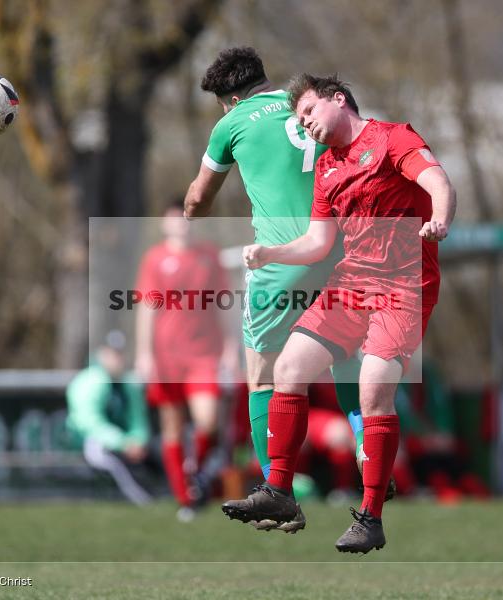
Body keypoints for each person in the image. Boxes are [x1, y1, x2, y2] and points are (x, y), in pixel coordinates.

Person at [222, 73, 456, 554]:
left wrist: (441, 218)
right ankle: (280, 493)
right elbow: (318, 243)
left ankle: (370, 516)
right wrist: (271, 253)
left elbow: (437, 180)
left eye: (309, 112)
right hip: (352, 285)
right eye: (300, 120)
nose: (306, 124)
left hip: (404, 287)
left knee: (372, 390)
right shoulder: (328, 168)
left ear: (338, 99)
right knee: (288, 367)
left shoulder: (394, 138)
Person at [184, 47, 376, 533]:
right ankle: (366, 446)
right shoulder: (302, 108)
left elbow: (200, 198)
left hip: (283, 263)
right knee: (345, 359)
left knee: (264, 378)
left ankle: (276, 488)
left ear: (228, 98)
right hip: (339, 253)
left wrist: (191, 212)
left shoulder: (232, 124)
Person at [134, 201, 238, 522]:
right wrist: (144, 353)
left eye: (187, 218)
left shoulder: (210, 256)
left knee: (207, 420)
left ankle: (193, 472)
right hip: (167, 357)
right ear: (165, 224)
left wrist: (232, 347)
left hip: (204, 354)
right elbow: (146, 309)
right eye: (175, 219)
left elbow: (225, 304)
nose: (182, 224)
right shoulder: (155, 259)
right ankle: (185, 498)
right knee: (172, 426)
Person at [66, 331, 153, 506]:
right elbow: (90, 424)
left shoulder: (128, 383)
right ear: (101, 353)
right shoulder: (90, 381)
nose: (117, 359)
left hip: (123, 443)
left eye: (120, 353)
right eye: (113, 353)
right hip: (88, 442)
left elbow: (138, 420)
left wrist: (137, 441)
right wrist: (123, 443)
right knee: (104, 455)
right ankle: (140, 500)